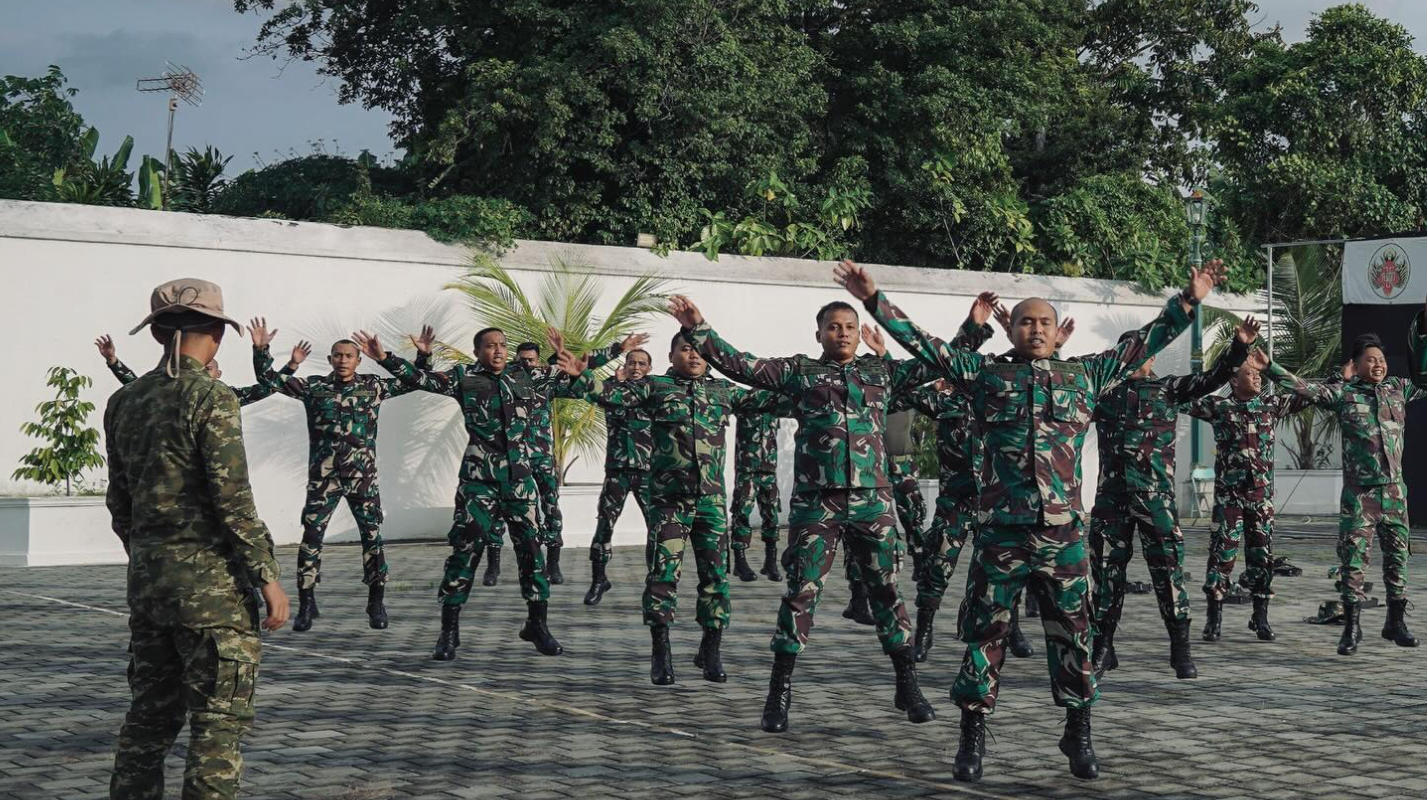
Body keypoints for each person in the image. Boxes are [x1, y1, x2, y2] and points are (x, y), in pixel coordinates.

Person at [854, 257, 1223, 781]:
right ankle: (972, 736)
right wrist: (874, 300)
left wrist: (1188, 300)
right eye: (1026, 321)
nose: (1036, 329)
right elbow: (925, 345)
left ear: (1055, 331)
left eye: (1044, 322)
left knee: (1074, 635)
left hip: (1063, 535)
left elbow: (1145, 342)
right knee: (986, 635)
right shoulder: (985, 375)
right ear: (1010, 329)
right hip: (1002, 535)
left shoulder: (1085, 375)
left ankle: (1078, 731)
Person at [673, 291, 1000, 734]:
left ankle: (907, 684)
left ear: (858, 335)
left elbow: (936, 361)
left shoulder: (881, 373)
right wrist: (698, 328)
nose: (842, 333)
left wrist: (973, 327)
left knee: (887, 591)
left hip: (873, 502)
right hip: (817, 503)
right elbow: (741, 365)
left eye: (849, 327)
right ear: (819, 334)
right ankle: (779, 692)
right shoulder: (799, 373)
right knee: (801, 594)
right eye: (833, 327)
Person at [106, 278, 288, 800]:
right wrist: (268, 577)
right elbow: (232, 499)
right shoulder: (211, 396)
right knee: (217, 725)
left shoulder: (124, 400)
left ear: (158, 333)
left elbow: (120, 502)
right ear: (218, 333)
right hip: (211, 591)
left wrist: (150, 556)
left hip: (149, 584)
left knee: (148, 718)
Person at [354, 327, 637, 659]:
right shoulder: (464, 377)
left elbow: (576, 375)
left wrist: (602, 356)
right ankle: (448, 632)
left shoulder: (528, 376)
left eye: (502, 345)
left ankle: (537, 625)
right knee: (465, 553)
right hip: (480, 483)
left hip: (519, 482)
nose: (498, 350)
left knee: (532, 551)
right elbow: (421, 379)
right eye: (490, 346)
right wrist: (384, 358)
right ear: (478, 352)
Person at [583, 333, 786, 684]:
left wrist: (812, 387)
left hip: (711, 503)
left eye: (700, 350)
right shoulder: (655, 387)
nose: (693, 355)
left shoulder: (722, 391)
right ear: (671, 355)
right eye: (686, 349)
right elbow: (607, 393)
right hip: (669, 503)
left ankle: (711, 651)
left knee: (716, 579)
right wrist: (580, 373)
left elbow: (773, 400)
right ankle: (661, 653)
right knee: (663, 576)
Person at [1087, 317, 1255, 681]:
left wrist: (1239, 347)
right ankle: (1102, 648)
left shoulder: (1168, 389)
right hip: (1111, 501)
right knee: (1106, 576)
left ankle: (1180, 649)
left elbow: (1213, 378)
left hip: (1156, 501)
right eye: (1127, 353)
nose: (1135, 359)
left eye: (1142, 353)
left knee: (1168, 574)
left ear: (1152, 358)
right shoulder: (1102, 395)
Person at [257, 323, 436, 632]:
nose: (343, 360)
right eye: (337, 356)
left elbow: (414, 380)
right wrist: (263, 351)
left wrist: (422, 357)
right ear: (330, 360)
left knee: (372, 537)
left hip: (362, 478)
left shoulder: (372, 386)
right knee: (312, 538)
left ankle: (376, 601)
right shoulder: (314, 388)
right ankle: (307, 603)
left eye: (349, 356)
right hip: (323, 479)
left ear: (358, 360)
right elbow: (269, 380)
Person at [1263, 323, 1427, 655]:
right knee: (1353, 563)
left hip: (1395, 495)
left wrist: (1422, 332)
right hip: (1360, 497)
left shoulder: (1398, 388)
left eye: (1381, 359)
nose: (1378, 365)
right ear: (1356, 364)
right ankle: (1352, 628)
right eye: (1370, 360)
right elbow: (1304, 388)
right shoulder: (1344, 394)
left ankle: (1395, 623)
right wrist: (1269, 367)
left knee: (1398, 560)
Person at [1184, 349, 1312, 644]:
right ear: (1233, 379)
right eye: (1250, 373)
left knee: (1262, 558)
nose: (1256, 378)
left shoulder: (1270, 405)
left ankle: (1260, 617)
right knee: (1221, 556)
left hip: (1261, 500)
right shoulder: (1219, 407)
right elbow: (1180, 399)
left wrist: (1272, 368)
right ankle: (1214, 618)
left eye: (1258, 374)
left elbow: (1307, 394)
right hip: (1229, 500)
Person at [587, 352, 656, 605]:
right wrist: (615, 381)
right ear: (625, 365)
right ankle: (599, 579)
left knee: (656, 528)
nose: (636, 367)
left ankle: (655, 582)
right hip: (617, 471)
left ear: (649, 368)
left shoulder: (654, 391)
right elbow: (593, 393)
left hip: (648, 471)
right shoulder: (612, 389)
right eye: (631, 363)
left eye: (641, 364)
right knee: (604, 524)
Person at [95, 323, 294, 404]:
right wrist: (113, 361)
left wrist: (291, 366)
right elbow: (138, 386)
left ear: (218, 374)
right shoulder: (177, 389)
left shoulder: (225, 396)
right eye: (201, 367)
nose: (203, 371)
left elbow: (269, 387)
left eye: (209, 368)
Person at [514, 342, 568, 587]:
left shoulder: (547, 382)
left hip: (543, 456)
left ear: (539, 361)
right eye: (522, 359)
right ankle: (534, 564)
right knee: (525, 512)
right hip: (517, 457)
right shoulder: (507, 380)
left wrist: (560, 354)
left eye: (531, 360)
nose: (527, 364)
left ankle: (554, 563)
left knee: (551, 507)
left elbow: (571, 374)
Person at [729, 402, 791, 583]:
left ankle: (770, 563)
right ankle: (740, 563)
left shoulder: (774, 405)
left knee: (772, 516)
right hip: (747, 471)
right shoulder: (745, 402)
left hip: (769, 471)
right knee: (741, 514)